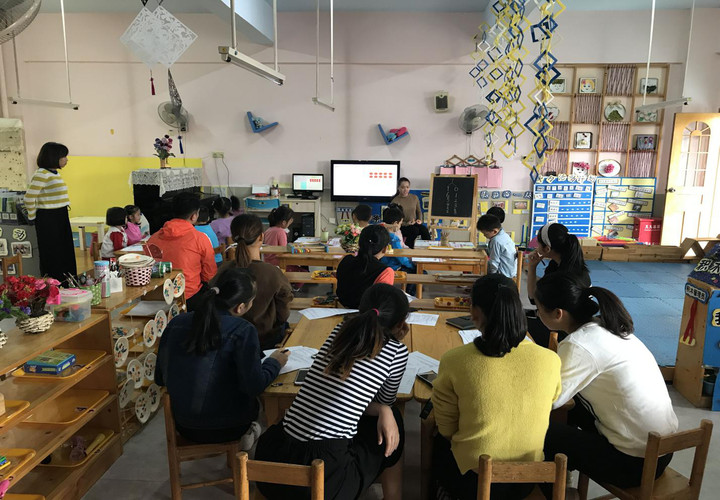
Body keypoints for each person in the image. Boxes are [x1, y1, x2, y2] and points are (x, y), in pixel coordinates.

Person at [255, 283, 409, 500]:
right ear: (401, 323)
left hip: (272, 462)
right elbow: (386, 400)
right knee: (394, 419)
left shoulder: (340, 331)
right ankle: (393, 496)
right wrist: (384, 409)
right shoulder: (396, 351)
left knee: (378, 415)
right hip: (324, 479)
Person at [535, 272, 678, 490]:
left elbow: (550, 400)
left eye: (538, 308)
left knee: (539, 430)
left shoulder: (579, 345)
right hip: (661, 451)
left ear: (558, 313)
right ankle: (564, 475)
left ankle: (550, 490)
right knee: (571, 411)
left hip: (634, 464)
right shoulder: (607, 326)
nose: (537, 314)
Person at [432, 274, 561, 500]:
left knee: (436, 442)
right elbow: (553, 400)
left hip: (473, 479)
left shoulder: (455, 360)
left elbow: (447, 430)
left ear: (475, 313)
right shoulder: (550, 360)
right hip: (527, 479)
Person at [156, 268, 289, 445]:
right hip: (229, 426)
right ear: (240, 307)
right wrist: (274, 362)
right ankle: (250, 431)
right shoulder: (242, 330)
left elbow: (159, 378)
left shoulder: (176, 323)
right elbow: (254, 386)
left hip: (183, 424)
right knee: (264, 399)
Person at [217, 214, 293, 350]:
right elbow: (284, 313)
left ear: (233, 237)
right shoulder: (273, 273)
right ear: (261, 237)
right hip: (265, 340)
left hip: (228, 339)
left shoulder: (223, 270)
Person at [148, 192, 217, 311]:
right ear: (194, 216)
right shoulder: (200, 238)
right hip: (188, 297)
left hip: (158, 296)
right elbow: (209, 273)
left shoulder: (153, 238)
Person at [526, 222, 591, 346]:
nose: (536, 247)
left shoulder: (563, 278)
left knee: (518, 325)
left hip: (565, 332)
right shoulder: (557, 265)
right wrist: (532, 267)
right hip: (562, 323)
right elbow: (534, 298)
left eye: (538, 244)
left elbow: (534, 300)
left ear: (547, 249)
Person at [24, 142, 77, 283]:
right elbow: (29, 197)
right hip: (48, 217)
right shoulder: (41, 174)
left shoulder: (54, 174)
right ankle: (54, 284)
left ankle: (67, 282)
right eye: (64, 156)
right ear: (54, 157)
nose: (66, 160)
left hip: (60, 215)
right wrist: (32, 217)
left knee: (65, 250)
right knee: (53, 252)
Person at [336, 225, 394, 309]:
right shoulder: (386, 272)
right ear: (385, 249)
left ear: (359, 244)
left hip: (340, 310)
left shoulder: (346, 260)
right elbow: (382, 304)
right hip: (367, 315)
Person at [390, 177, 430, 248]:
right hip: (402, 226)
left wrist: (419, 220)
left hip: (414, 223)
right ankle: (408, 249)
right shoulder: (395, 201)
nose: (405, 189)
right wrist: (406, 223)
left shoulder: (414, 198)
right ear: (398, 188)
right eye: (403, 187)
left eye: (407, 187)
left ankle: (428, 249)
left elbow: (419, 211)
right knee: (414, 230)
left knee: (424, 230)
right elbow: (394, 220)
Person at [477, 214, 516, 278]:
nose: (484, 236)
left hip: (502, 274)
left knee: (479, 266)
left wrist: (492, 277)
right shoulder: (504, 235)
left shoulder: (496, 241)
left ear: (494, 231)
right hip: (510, 271)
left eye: (485, 234)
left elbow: (494, 261)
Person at [380, 205, 415, 273]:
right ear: (395, 223)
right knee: (421, 271)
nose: (400, 226)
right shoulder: (394, 239)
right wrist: (413, 266)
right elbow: (401, 258)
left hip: (383, 266)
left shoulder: (381, 234)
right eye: (400, 223)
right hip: (394, 268)